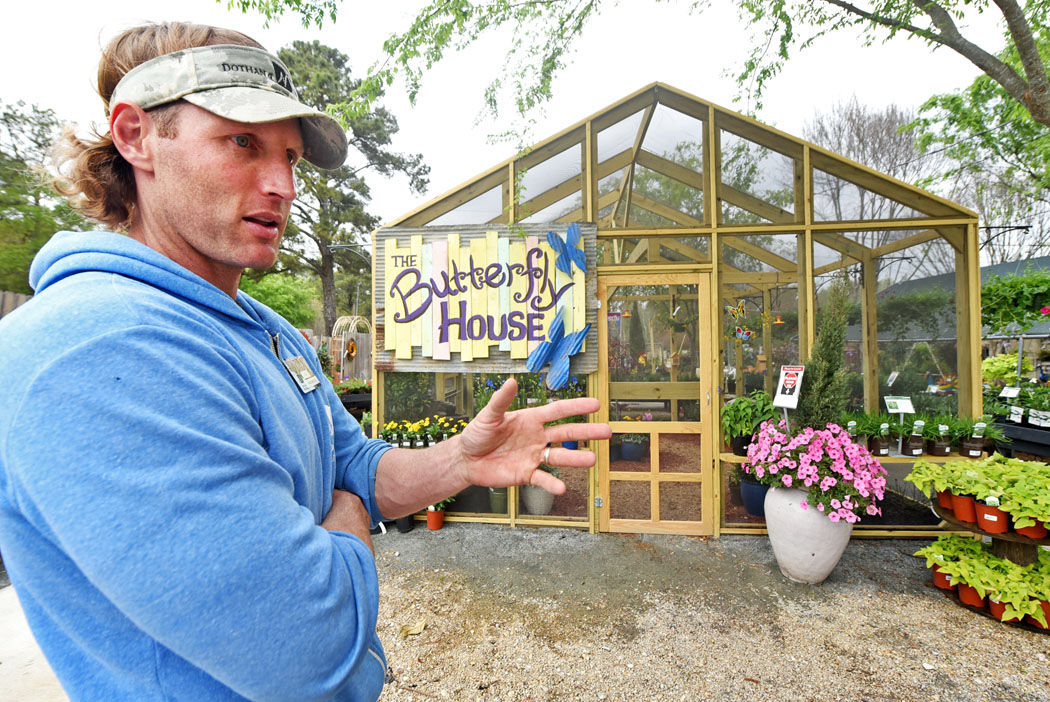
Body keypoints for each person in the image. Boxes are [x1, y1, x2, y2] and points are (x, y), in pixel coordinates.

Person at [0, 22, 609, 701]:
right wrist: (347, 524)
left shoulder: (265, 329)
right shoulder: (93, 347)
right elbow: (305, 651)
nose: (284, 185)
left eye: (290, 157)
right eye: (243, 143)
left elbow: (355, 467)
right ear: (136, 136)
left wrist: (458, 463)